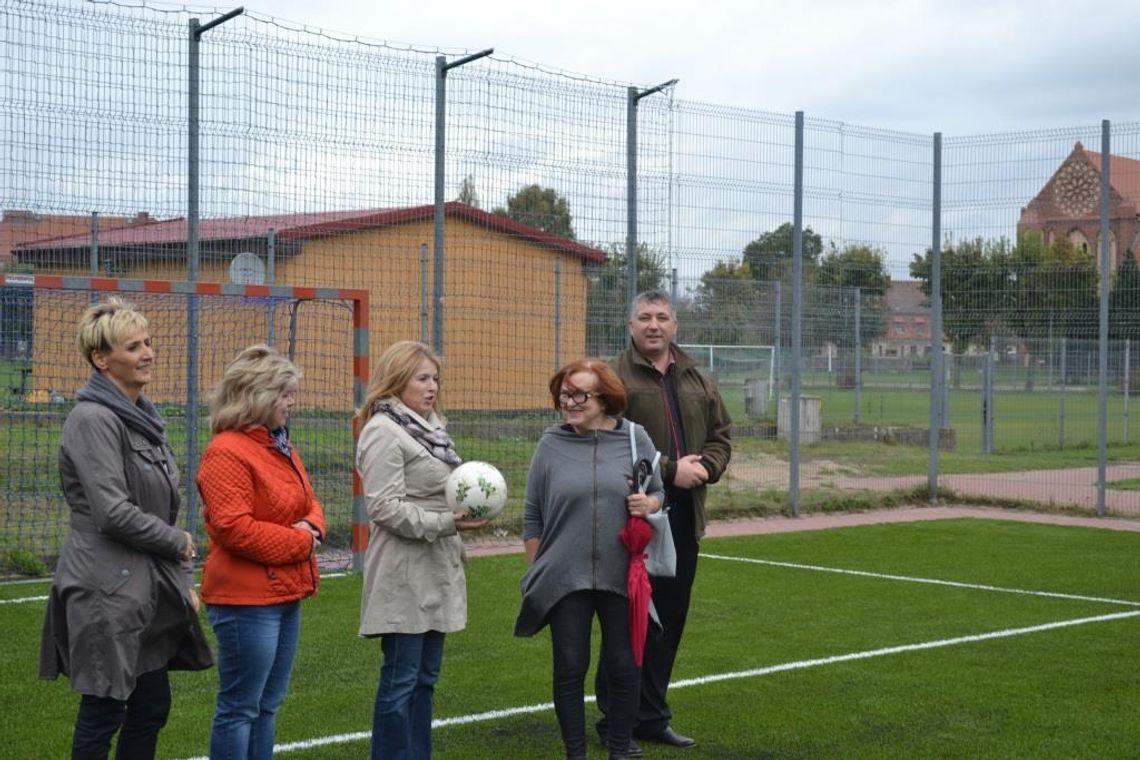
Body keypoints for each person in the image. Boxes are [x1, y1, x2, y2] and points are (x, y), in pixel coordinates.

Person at [39, 297, 213, 760]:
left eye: (148, 342)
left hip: (144, 586)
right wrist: (178, 543)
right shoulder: (91, 419)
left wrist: (178, 577)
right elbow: (112, 512)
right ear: (101, 359)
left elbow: (160, 506)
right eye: (133, 346)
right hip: (105, 588)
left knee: (151, 706)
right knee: (103, 710)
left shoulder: (143, 418)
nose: (148, 353)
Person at [601, 290, 733, 750]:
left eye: (661, 317)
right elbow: (610, 443)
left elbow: (721, 436)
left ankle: (651, 718)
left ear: (675, 325)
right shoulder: (612, 377)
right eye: (644, 318)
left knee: (669, 621)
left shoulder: (697, 375)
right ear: (631, 326)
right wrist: (670, 469)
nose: (653, 325)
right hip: (631, 519)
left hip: (682, 518)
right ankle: (614, 723)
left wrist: (706, 469)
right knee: (627, 621)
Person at [515, 358, 665, 760]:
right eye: (564, 394)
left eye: (579, 394)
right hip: (564, 578)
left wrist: (648, 501)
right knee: (569, 666)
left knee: (624, 665)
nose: (570, 402)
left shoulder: (636, 439)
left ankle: (619, 751)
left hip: (623, 575)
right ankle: (575, 754)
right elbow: (532, 515)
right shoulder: (551, 443)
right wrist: (537, 570)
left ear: (605, 398)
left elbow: (660, 493)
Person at [356, 340, 487, 760]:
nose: (432, 387)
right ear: (397, 381)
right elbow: (384, 508)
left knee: (425, 679)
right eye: (422, 378)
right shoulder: (383, 430)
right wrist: (448, 522)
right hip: (403, 571)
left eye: (435, 378)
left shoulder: (431, 428)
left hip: (436, 565)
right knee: (400, 681)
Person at [197, 345, 325, 760]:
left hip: (283, 593)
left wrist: (313, 526)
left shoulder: (277, 443)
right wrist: (302, 541)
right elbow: (234, 528)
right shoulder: (226, 451)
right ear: (259, 395)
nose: (292, 402)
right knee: (240, 708)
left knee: (267, 705)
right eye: (285, 393)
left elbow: (310, 501)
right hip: (245, 601)